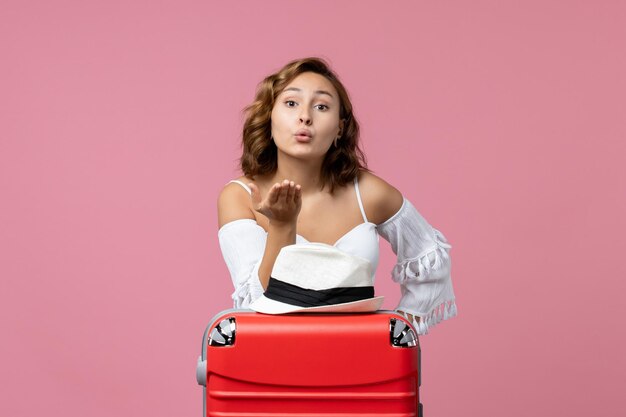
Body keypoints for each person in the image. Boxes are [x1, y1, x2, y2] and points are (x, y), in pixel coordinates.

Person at [217, 57, 456, 334]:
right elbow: (256, 301)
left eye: (321, 106)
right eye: (291, 103)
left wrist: (399, 330)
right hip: (273, 360)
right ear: (270, 116)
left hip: (359, 360)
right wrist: (282, 226)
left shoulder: (368, 193)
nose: (305, 116)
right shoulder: (241, 196)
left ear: (339, 128)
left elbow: (431, 258)